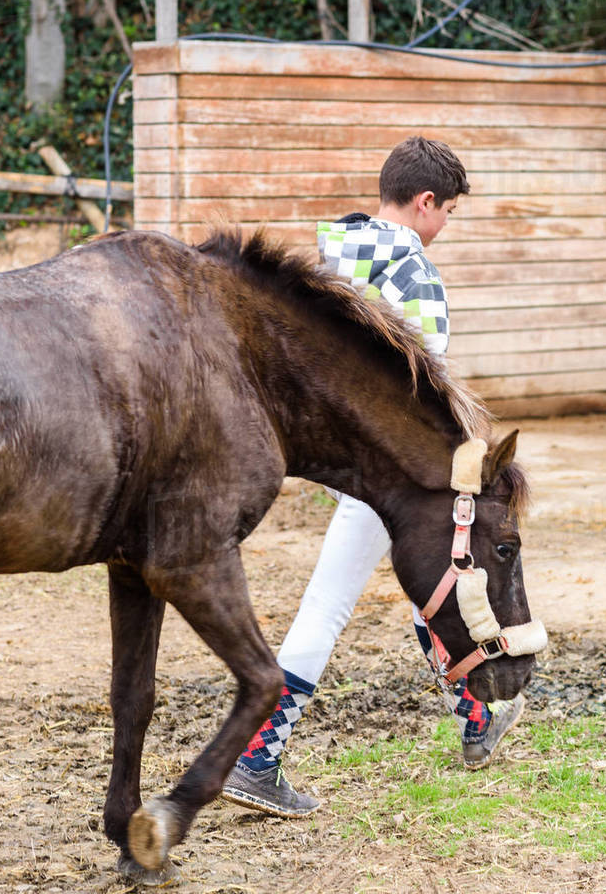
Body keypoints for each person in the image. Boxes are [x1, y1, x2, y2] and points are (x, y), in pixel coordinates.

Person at [222, 137, 525, 818]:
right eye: (445, 211)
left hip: (336, 455)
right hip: (387, 467)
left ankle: (473, 718)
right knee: (326, 606)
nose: (443, 224)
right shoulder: (414, 274)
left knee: (425, 576)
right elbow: (423, 392)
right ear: (424, 202)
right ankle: (257, 757)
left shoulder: (335, 256)